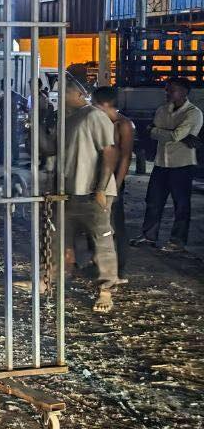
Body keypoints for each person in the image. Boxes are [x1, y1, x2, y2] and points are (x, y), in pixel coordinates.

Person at [46, 79, 119, 312]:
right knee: (60, 236)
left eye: (62, 95)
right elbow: (48, 149)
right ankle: (51, 279)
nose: (59, 99)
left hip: (91, 190)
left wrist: (101, 188)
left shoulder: (94, 115)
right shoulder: (67, 119)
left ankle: (106, 290)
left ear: (78, 95)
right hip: (69, 190)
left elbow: (109, 151)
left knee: (102, 240)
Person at [131, 78, 202, 252]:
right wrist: (175, 135)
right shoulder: (162, 109)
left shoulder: (193, 113)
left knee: (181, 205)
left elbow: (173, 135)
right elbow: (171, 135)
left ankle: (177, 241)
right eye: (167, 90)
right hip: (161, 163)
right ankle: (149, 236)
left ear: (184, 92)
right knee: (153, 202)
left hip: (182, 165)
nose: (168, 93)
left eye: (172, 90)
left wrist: (157, 131)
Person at [92, 86, 133, 283]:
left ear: (105, 103)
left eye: (94, 103)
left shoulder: (123, 124)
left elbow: (125, 157)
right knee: (99, 224)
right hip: (98, 179)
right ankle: (101, 267)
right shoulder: (99, 121)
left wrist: (116, 185)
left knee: (115, 225)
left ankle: (120, 270)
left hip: (113, 181)